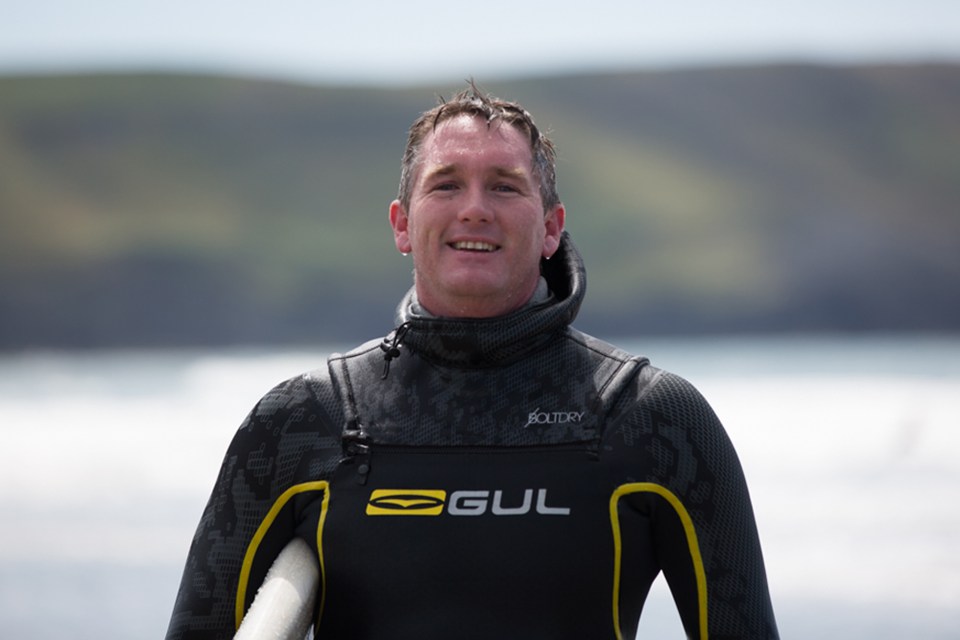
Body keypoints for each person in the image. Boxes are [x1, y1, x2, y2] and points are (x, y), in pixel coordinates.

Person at [165, 83, 779, 639]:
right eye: (446, 184)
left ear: (551, 230)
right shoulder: (304, 422)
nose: (475, 208)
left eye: (505, 186)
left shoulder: (651, 419)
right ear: (402, 224)